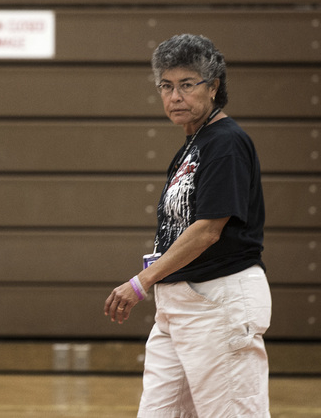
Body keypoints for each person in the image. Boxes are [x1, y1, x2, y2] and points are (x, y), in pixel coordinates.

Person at [104, 34, 271, 417]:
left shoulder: (225, 143)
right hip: (177, 304)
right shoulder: (192, 145)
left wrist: (140, 282)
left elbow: (208, 230)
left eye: (186, 84)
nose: (174, 96)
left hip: (219, 300)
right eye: (166, 85)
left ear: (213, 88)